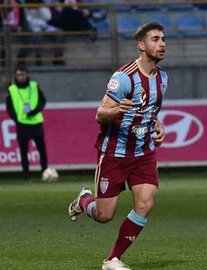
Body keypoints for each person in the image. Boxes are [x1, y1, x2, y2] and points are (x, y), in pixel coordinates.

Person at [67, 22, 167, 270]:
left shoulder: (163, 78)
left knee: (145, 203)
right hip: (114, 153)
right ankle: (84, 201)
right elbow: (100, 113)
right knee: (104, 215)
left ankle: (112, 259)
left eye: (163, 39)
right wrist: (115, 110)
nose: (162, 43)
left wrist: (157, 124)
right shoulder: (123, 77)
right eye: (155, 39)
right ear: (141, 45)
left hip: (143, 152)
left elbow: (148, 109)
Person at [6, 65, 49, 180]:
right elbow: (9, 107)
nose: (20, 77)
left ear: (27, 74)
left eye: (23, 74)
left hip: (36, 122)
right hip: (22, 124)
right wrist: (16, 119)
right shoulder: (12, 89)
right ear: (16, 76)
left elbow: (42, 101)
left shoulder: (34, 86)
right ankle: (26, 175)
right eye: (18, 75)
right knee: (24, 151)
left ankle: (44, 172)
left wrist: (35, 111)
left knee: (41, 149)